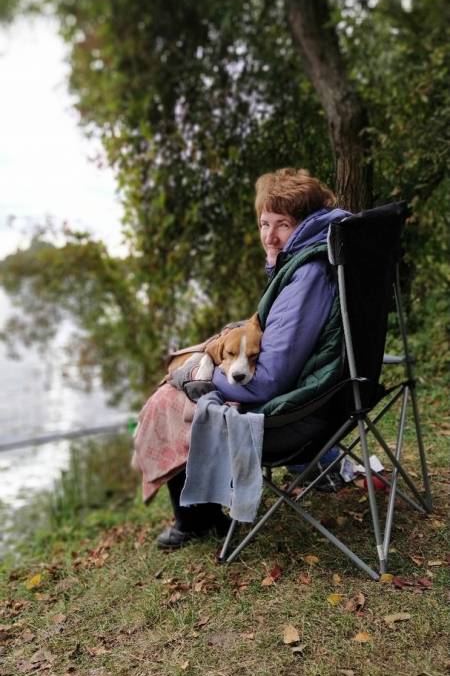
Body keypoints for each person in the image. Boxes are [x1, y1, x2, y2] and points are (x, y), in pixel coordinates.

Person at [141, 168, 350, 548]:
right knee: (178, 386)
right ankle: (199, 511)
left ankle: (196, 518)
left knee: (169, 401)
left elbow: (269, 379)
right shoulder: (313, 256)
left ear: (303, 224)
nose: (269, 236)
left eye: (282, 225)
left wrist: (199, 380)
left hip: (300, 414)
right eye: (263, 224)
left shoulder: (308, 274)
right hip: (327, 394)